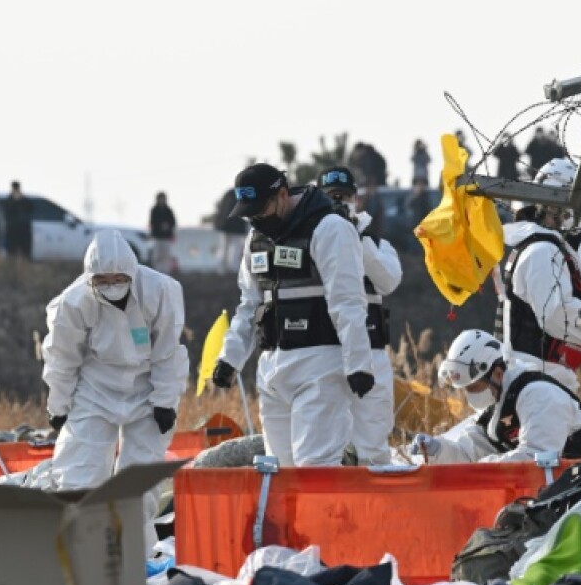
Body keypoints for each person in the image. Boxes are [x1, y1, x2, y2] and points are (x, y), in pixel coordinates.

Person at [210, 163, 374, 467]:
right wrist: (229, 359)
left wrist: (358, 365)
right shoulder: (255, 239)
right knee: (281, 471)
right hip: (272, 367)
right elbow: (249, 304)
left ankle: (325, 516)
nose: (256, 218)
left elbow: (348, 303)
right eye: (249, 213)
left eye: (261, 209)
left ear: (283, 195)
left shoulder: (330, 228)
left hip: (320, 366)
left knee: (315, 468)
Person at [42, 230, 188, 551]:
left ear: (132, 272)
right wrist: (59, 405)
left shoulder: (160, 290)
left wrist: (165, 400)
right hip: (95, 389)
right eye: (102, 280)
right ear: (90, 278)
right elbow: (61, 358)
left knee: (138, 485)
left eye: (117, 278)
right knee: (78, 478)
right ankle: (82, 553)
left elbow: (167, 351)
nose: (111, 285)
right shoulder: (73, 302)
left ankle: (140, 559)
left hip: (147, 388)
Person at [409, 330, 581, 463]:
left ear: (497, 373)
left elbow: (537, 458)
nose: (471, 395)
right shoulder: (496, 406)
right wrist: (438, 450)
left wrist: (485, 467)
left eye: (475, 386)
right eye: (466, 389)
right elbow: (470, 453)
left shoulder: (539, 395)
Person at [498, 158, 581, 394]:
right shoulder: (542, 252)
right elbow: (555, 317)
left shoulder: (547, 248)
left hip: (542, 377)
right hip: (535, 381)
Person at [318, 165, 402, 466]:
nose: (339, 203)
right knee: (327, 445)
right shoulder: (312, 241)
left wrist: (354, 237)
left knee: (373, 443)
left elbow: (388, 281)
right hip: (327, 352)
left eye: (343, 196)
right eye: (330, 198)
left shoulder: (377, 243)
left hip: (371, 350)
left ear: (356, 199)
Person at [149, 191, 177, 273]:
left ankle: (165, 271)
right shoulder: (154, 210)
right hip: (157, 237)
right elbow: (152, 222)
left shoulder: (168, 210)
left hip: (166, 237)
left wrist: (167, 227)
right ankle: (157, 271)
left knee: (166, 256)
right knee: (157, 256)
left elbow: (173, 222)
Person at [4, 181, 33, 259]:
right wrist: (15, 201)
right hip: (12, 229)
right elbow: (7, 211)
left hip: (24, 228)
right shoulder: (9, 200)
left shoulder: (25, 199)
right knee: (11, 252)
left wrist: (22, 199)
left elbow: (31, 208)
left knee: (25, 251)